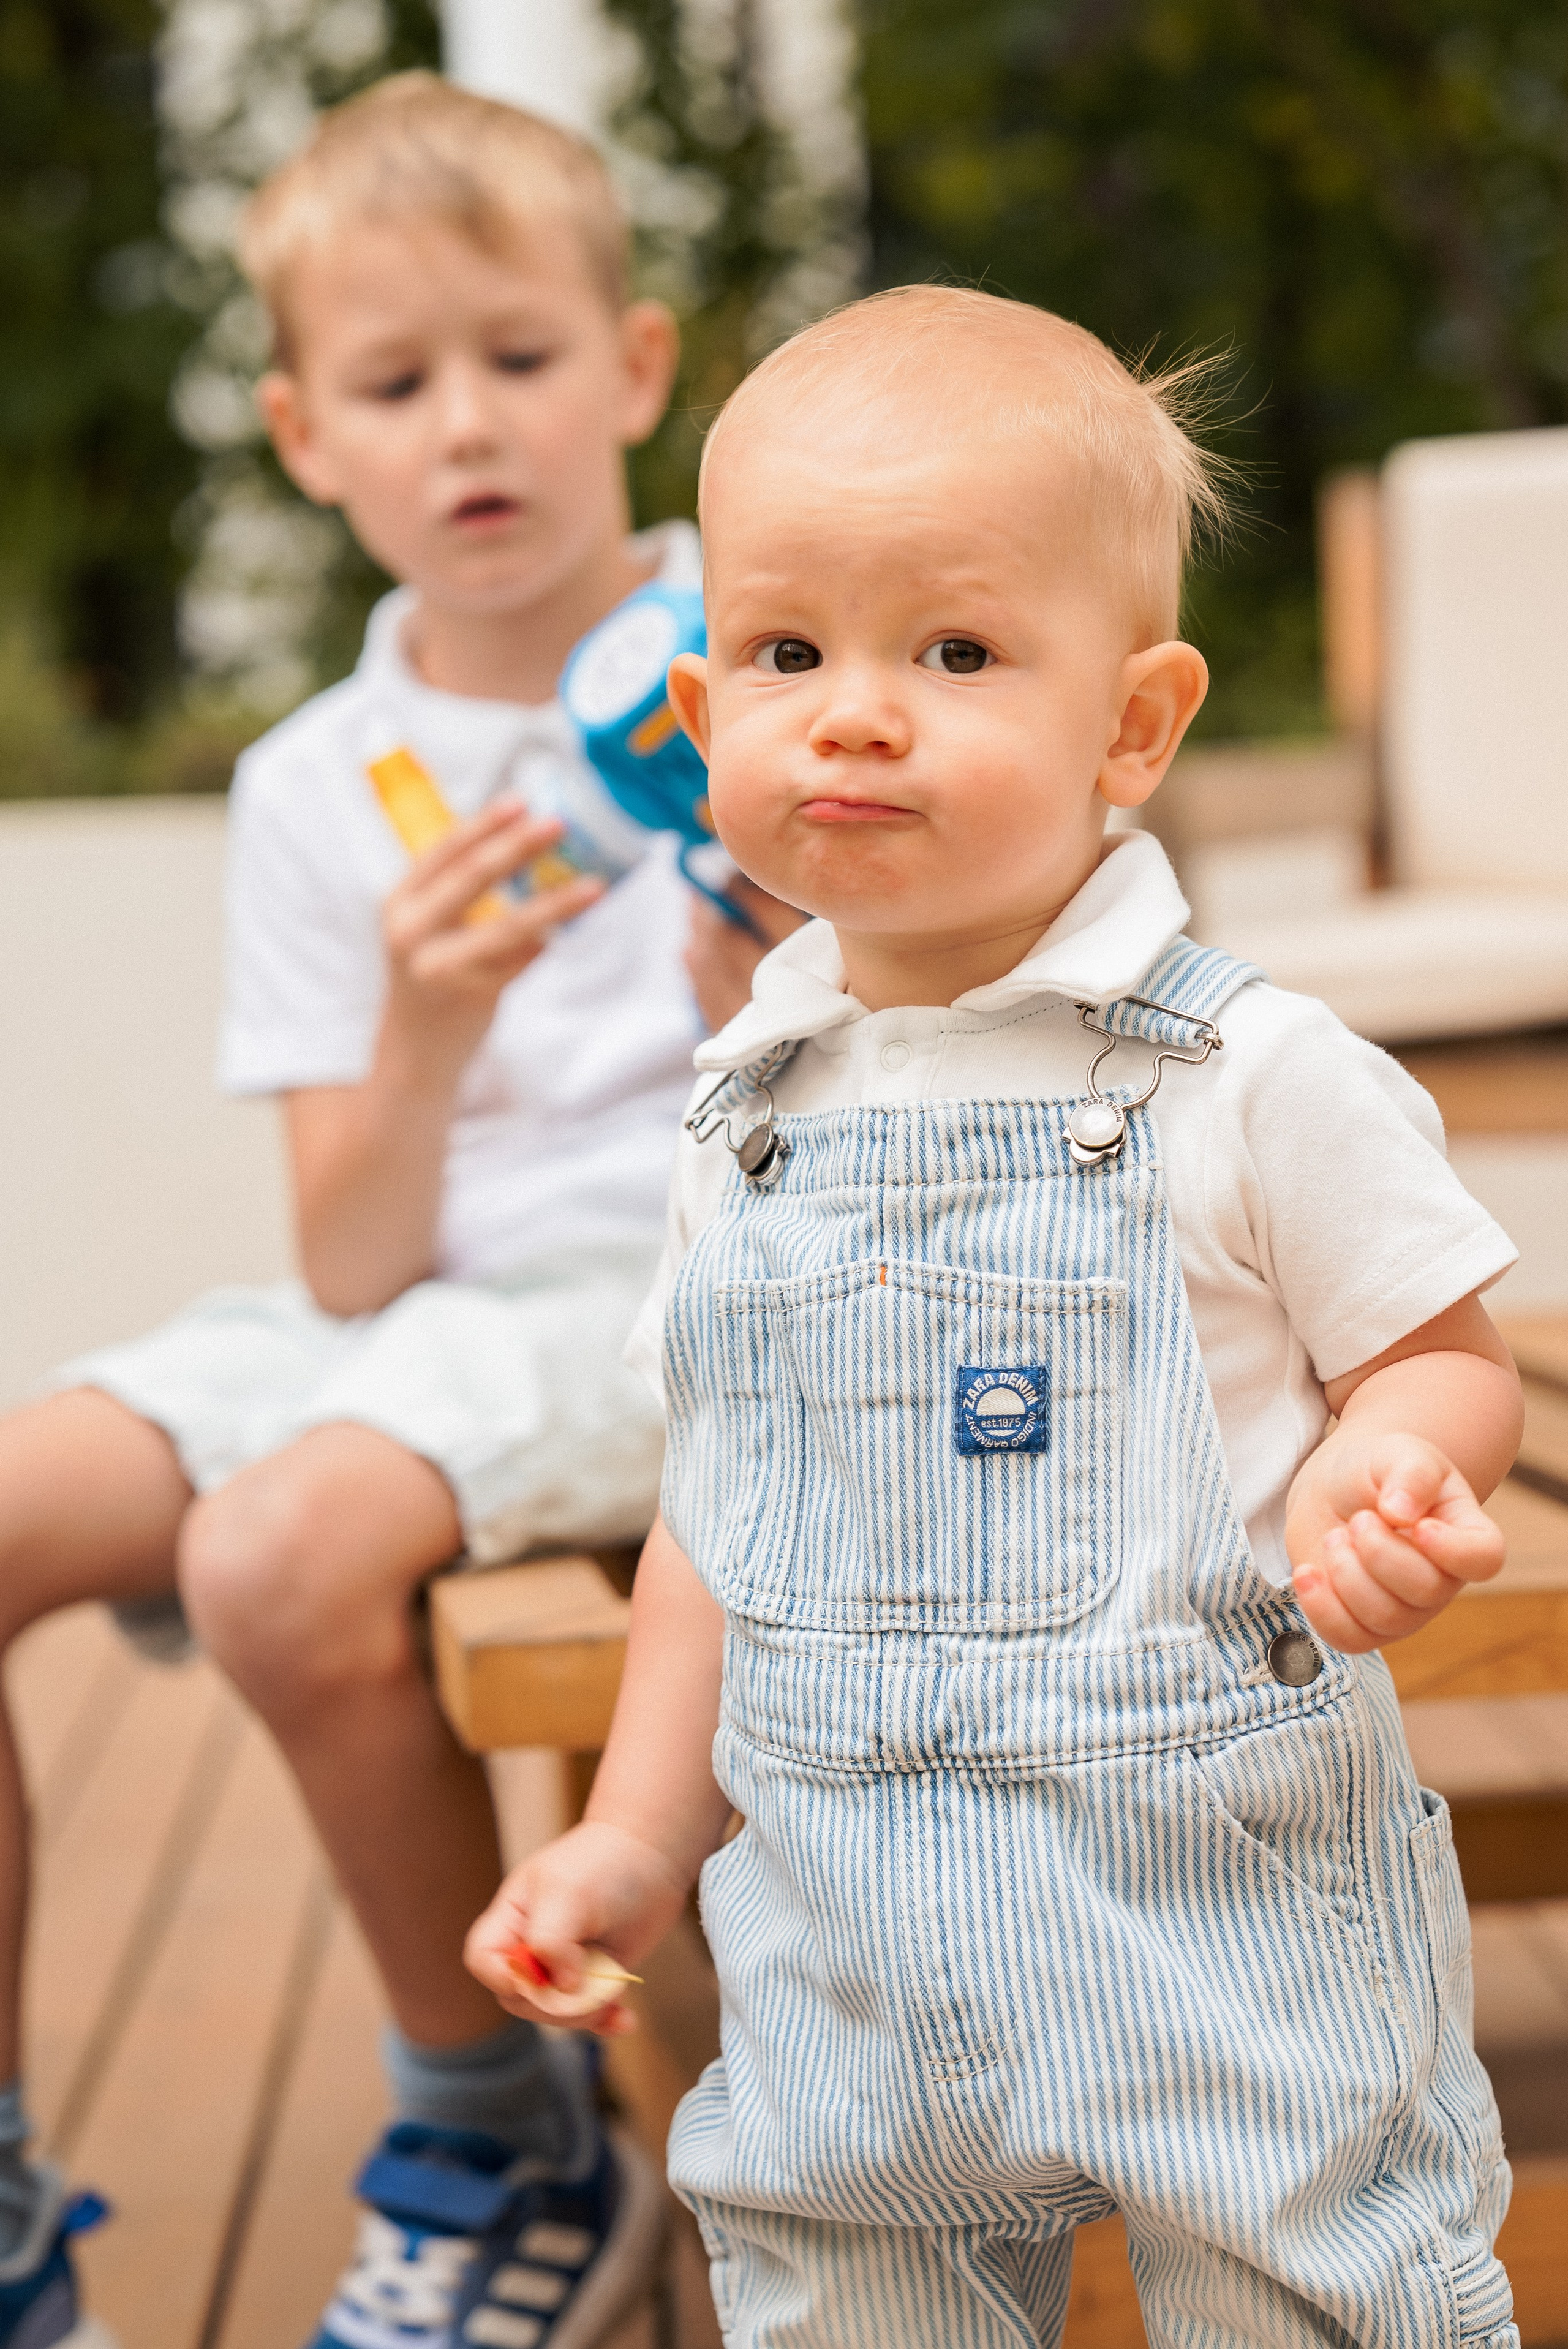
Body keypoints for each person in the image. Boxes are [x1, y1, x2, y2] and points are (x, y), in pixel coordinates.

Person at [468, 287, 1526, 2349]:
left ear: (1131, 723)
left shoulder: (1250, 1069)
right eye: (789, 652)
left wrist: (1394, 1459)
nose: (854, 711)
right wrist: (630, 1825)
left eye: (953, 652)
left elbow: (1435, 1343)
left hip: (1215, 1922)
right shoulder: (741, 1117)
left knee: (1316, 2304)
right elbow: (722, 1515)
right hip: (841, 1946)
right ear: (703, 728)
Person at [0, 73, 785, 2349]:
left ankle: (494, 2121)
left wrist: (774, 969)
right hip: (423, 1295)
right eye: (394, 381)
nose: (472, 428)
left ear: (635, 372)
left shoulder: (772, 653)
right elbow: (351, 1263)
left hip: (682, 1272)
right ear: (301, 433)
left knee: (268, 1553)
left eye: (520, 358)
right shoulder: (314, 787)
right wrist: (424, 1034)